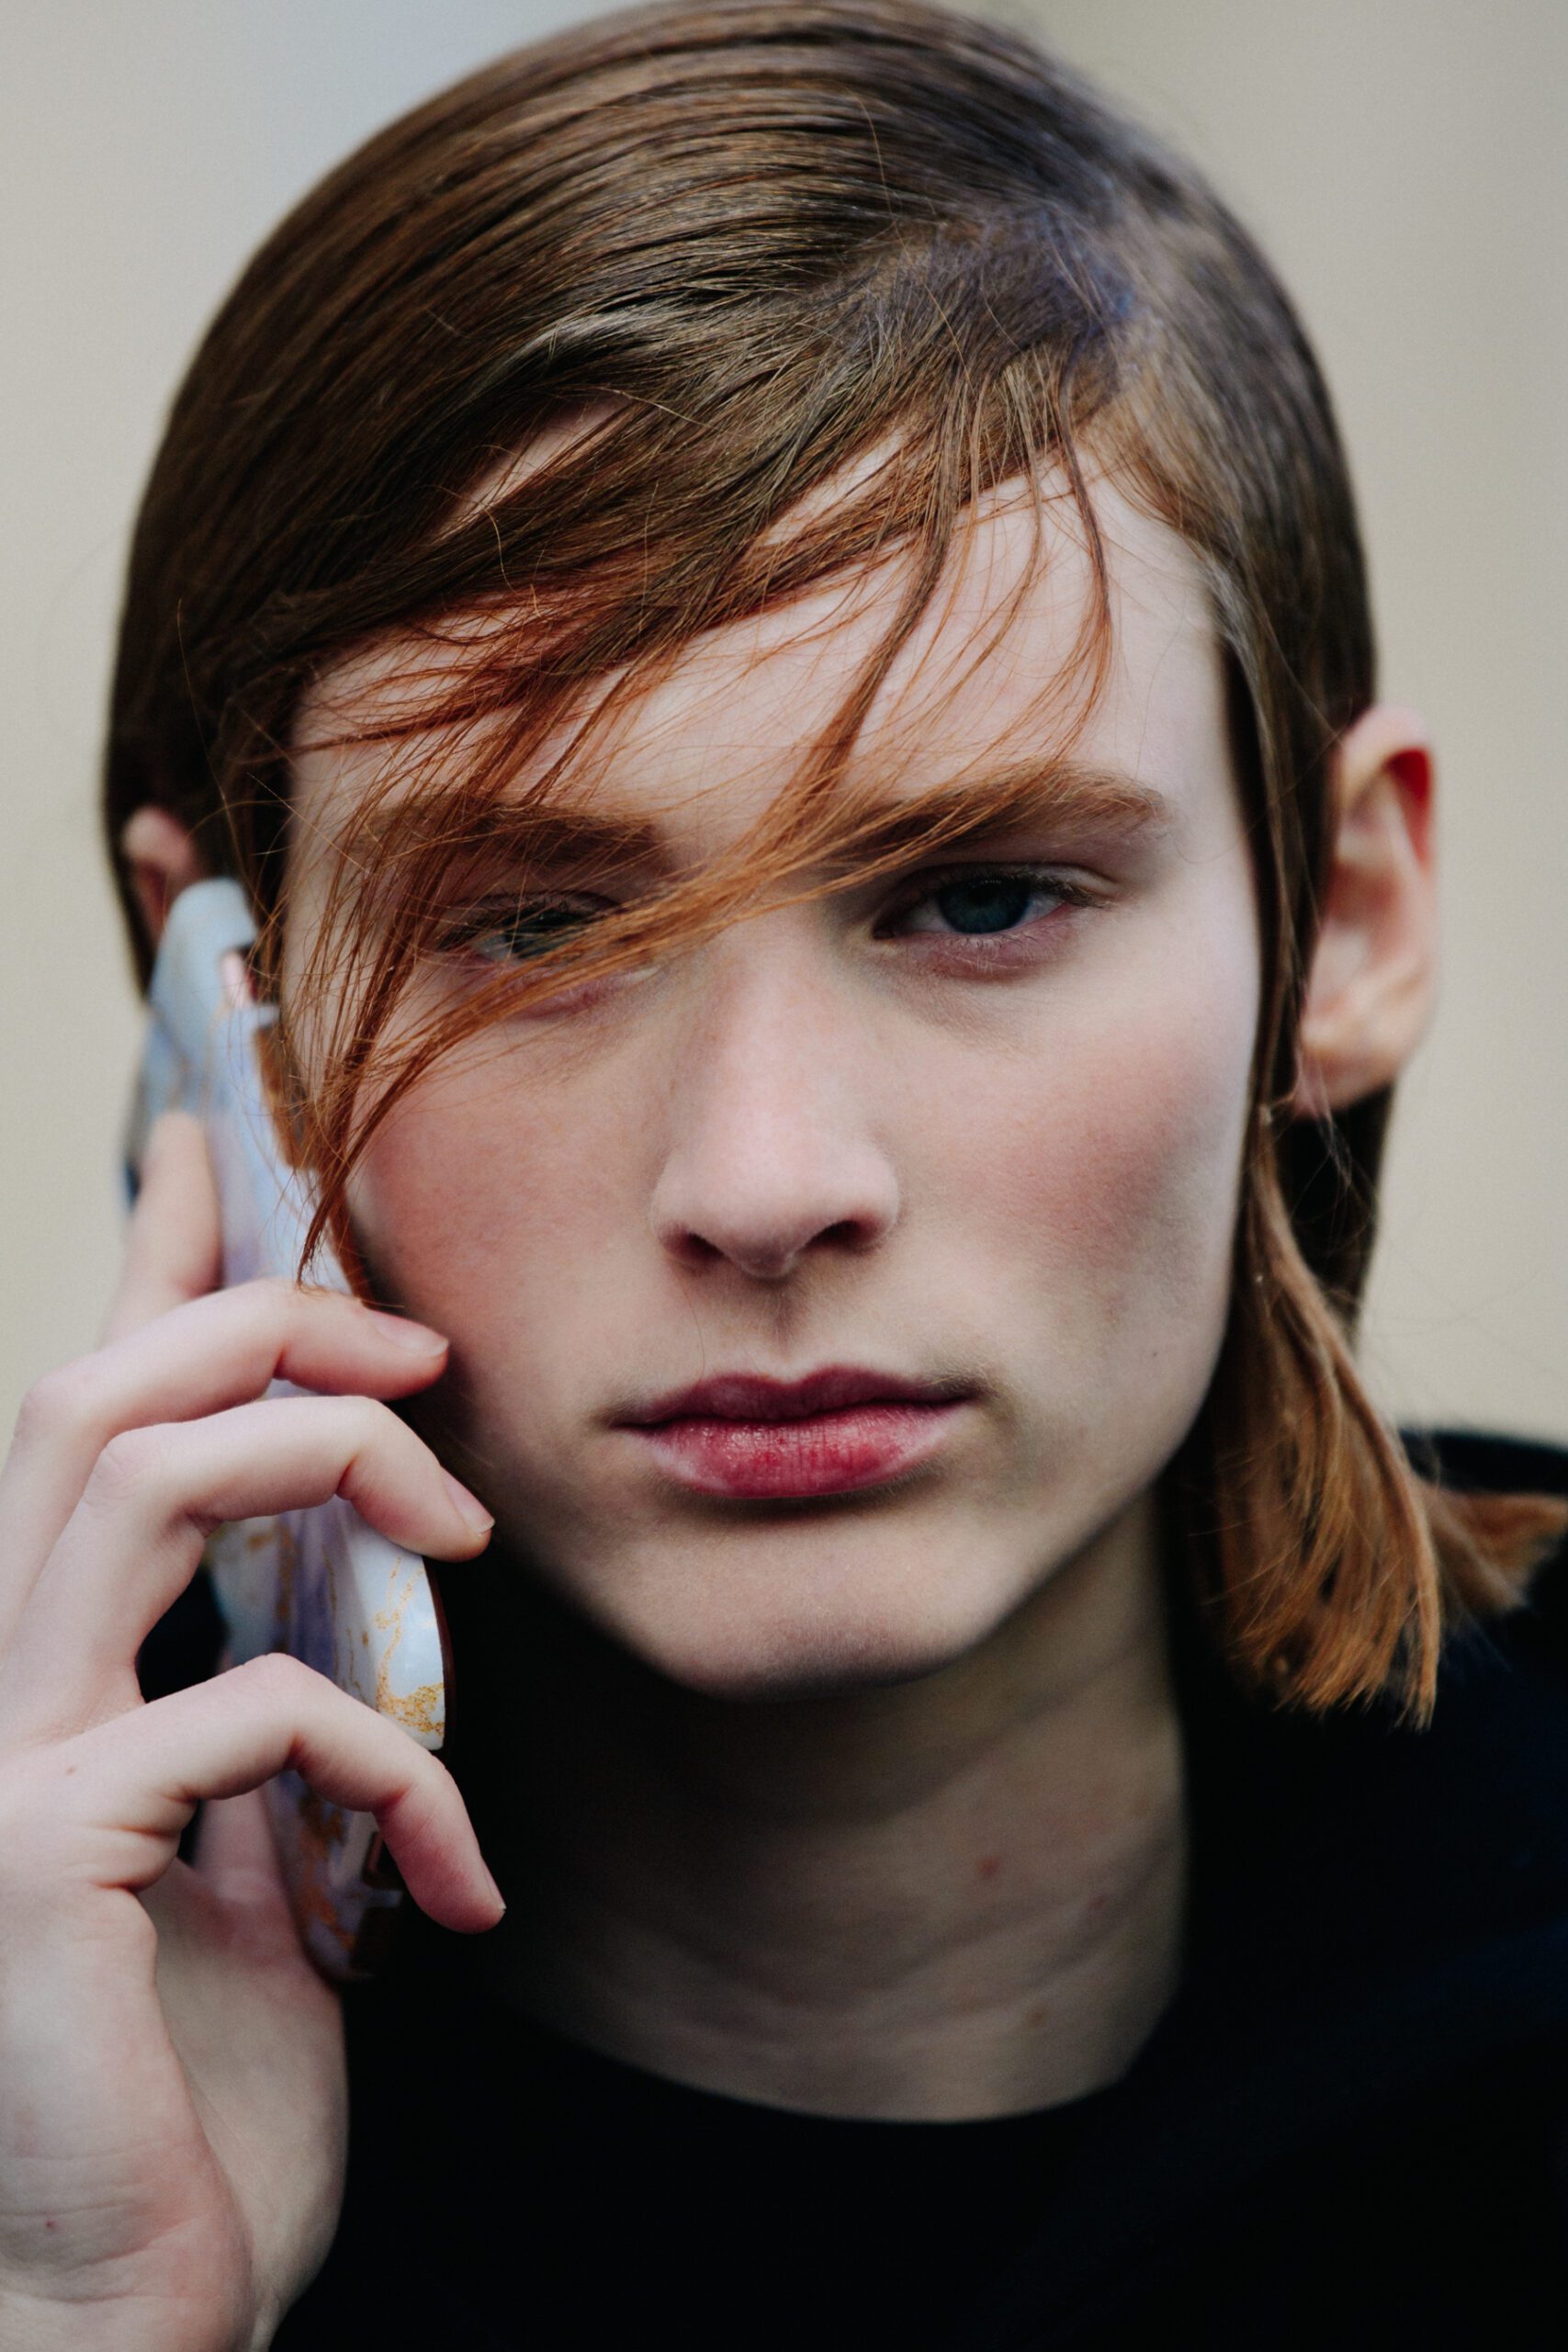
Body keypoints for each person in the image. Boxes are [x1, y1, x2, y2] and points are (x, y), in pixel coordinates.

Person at [2, 2, 1564, 2343]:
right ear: (231, 1012)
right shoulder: (61, 2090)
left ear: (1340, 922)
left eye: (977, 896)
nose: (764, 1177)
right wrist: (91, 2302)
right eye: (536, 928)